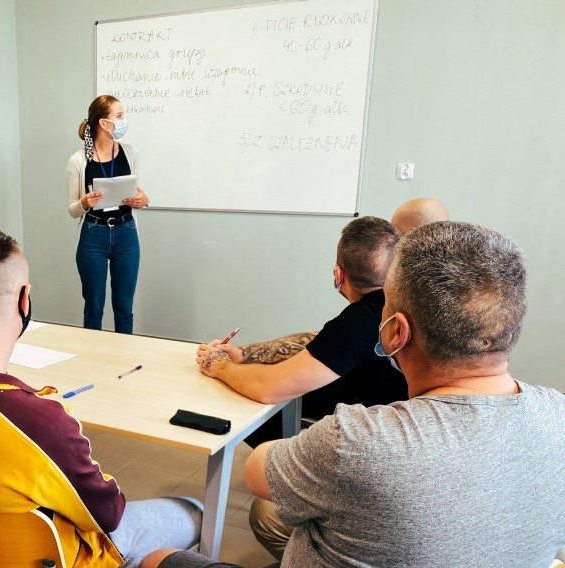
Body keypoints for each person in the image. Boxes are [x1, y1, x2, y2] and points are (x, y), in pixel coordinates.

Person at [143, 221, 565, 568]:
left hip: (326, 463)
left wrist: (222, 366)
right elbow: (323, 340)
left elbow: (257, 470)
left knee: (158, 558)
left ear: (396, 332)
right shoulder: (558, 415)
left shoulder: (357, 441)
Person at [0, 229, 201, 568]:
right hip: (56, 557)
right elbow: (108, 515)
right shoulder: (39, 420)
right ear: (25, 300)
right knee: (194, 510)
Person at [195, 216, 406, 560]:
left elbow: (269, 389)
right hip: (391, 430)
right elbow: (320, 342)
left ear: (339, 275)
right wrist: (247, 353)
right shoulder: (389, 307)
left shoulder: (359, 320)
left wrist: (220, 367)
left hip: (380, 462)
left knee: (262, 430)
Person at [66, 95, 150, 334]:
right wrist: (83, 202)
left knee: (124, 307)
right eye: (119, 116)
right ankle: (93, 362)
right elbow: (72, 209)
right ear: (103, 123)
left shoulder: (130, 153)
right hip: (93, 235)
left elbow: (139, 193)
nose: (124, 121)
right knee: (93, 307)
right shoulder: (78, 160)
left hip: (126, 233)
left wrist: (143, 201)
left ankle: (123, 360)